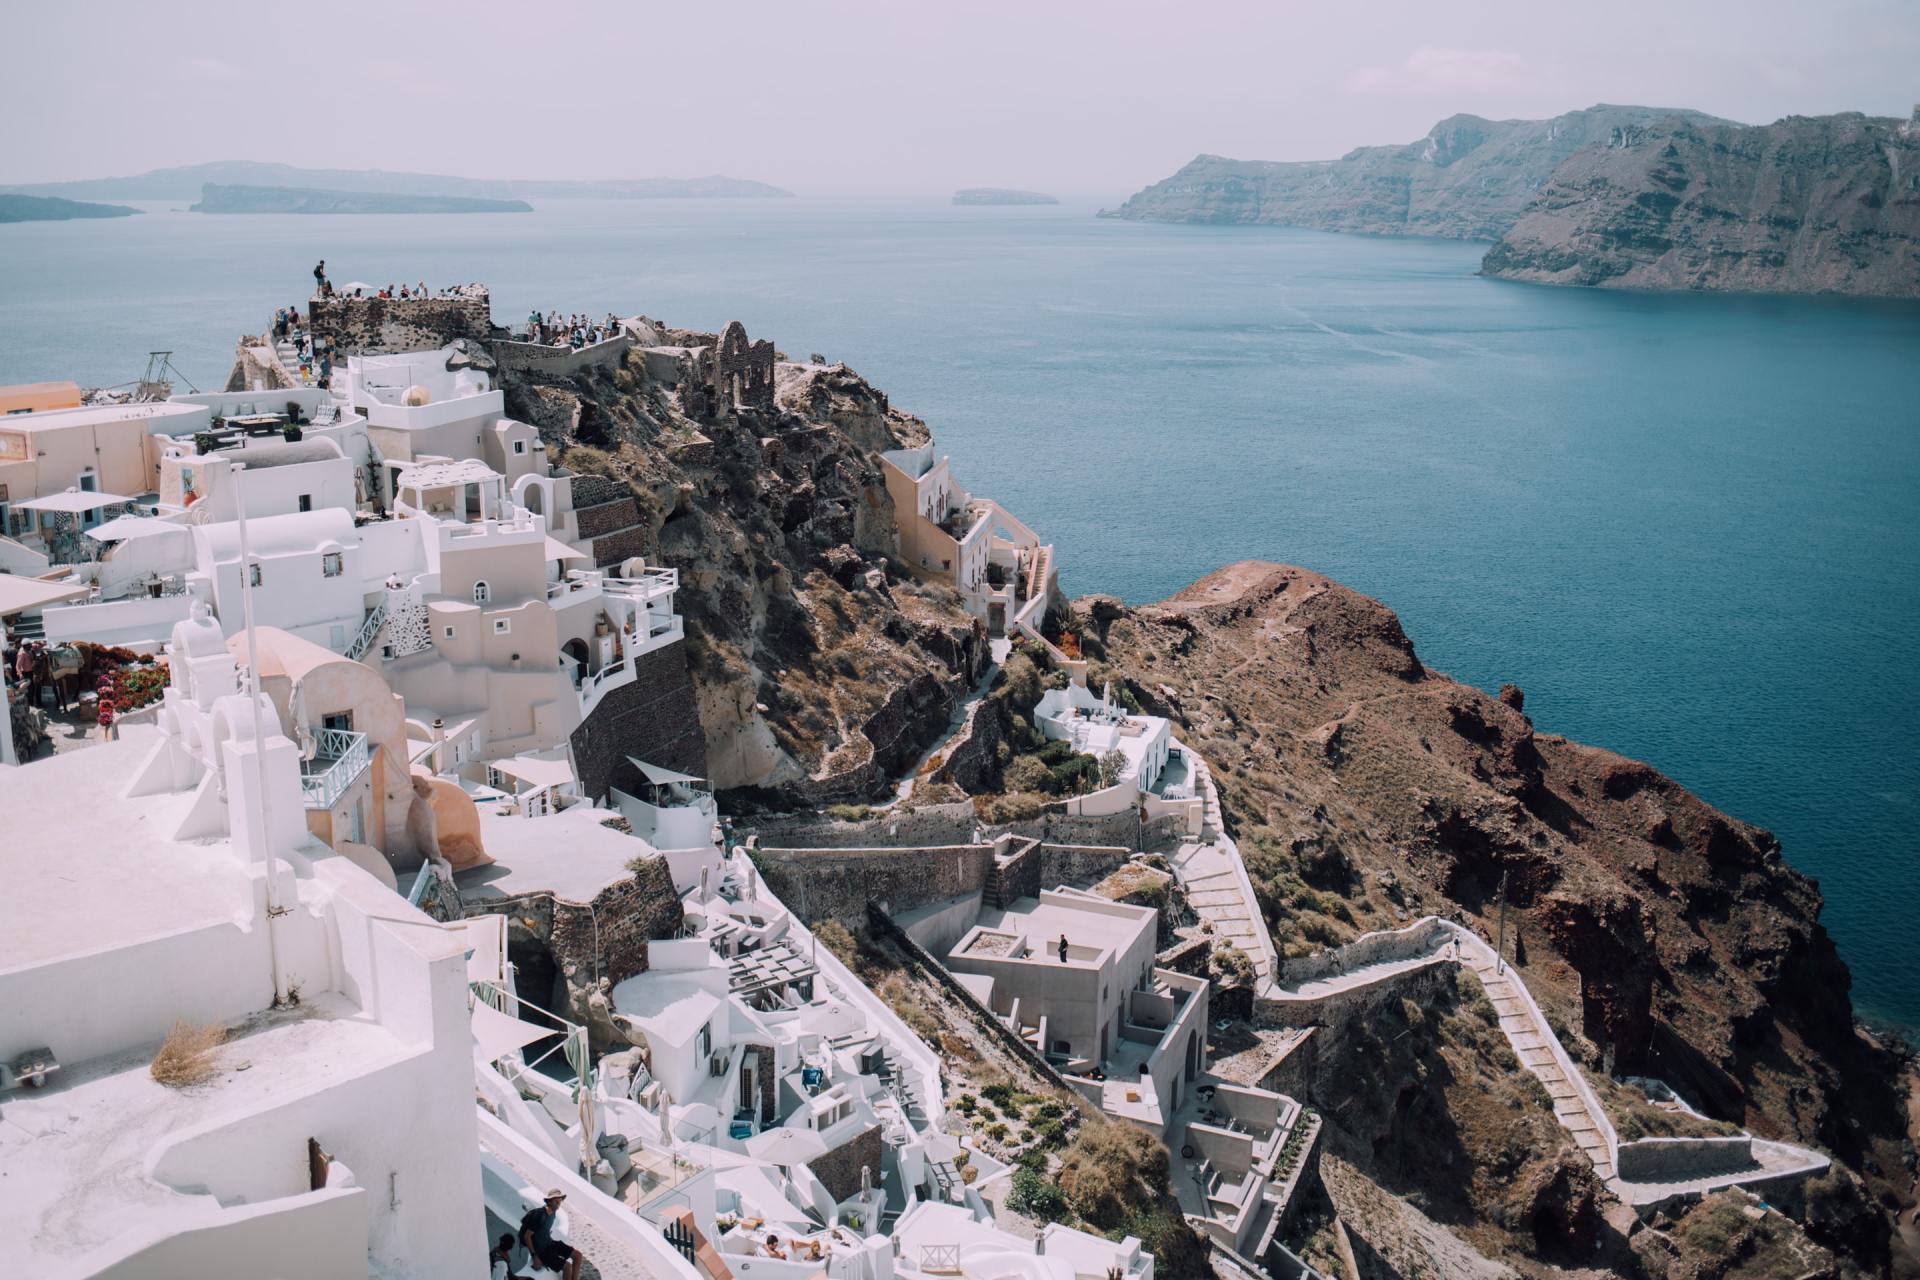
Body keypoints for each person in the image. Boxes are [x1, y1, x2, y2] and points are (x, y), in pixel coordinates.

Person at [520, 1190, 583, 1280]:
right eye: (556, 1201)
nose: (558, 1203)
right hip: (542, 1251)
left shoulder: (553, 1212)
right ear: (549, 1201)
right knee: (567, 1267)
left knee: (578, 1255)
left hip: (550, 1244)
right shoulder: (539, 1215)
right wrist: (534, 1256)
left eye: (560, 1201)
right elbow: (527, 1236)